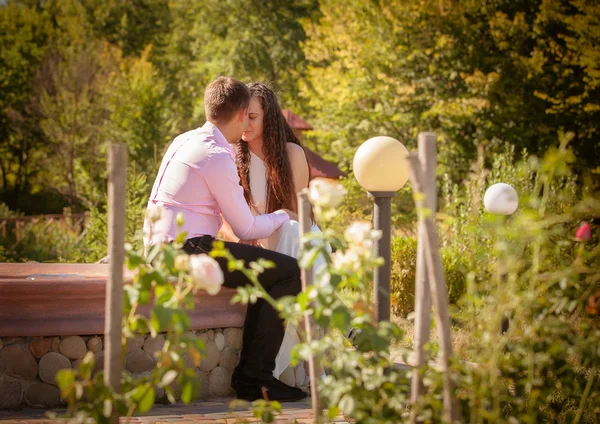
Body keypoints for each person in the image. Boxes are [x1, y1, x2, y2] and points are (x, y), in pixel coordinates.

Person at [143, 76, 307, 402]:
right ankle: (255, 379)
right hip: (187, 251)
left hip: (160, 248)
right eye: (248, 116)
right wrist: (284, 216)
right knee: (289, 271)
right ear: (241, 114)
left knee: (268, 270)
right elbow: (245, 228)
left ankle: (253, 376)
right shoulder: (217, 154)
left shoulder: (184, 139)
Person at [222, 82, 329, 380]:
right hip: (259, 245)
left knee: (292, 231)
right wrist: (244, 240)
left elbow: (298, 215)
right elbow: (224, 220)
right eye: (242, 115)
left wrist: (262, 233)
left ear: (269, 117)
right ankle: (327, 351)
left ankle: (298, 369)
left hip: (301, 240)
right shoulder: (231, 156)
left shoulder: (291, 154)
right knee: (290, 255)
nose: (244, 123)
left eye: (252, 116)